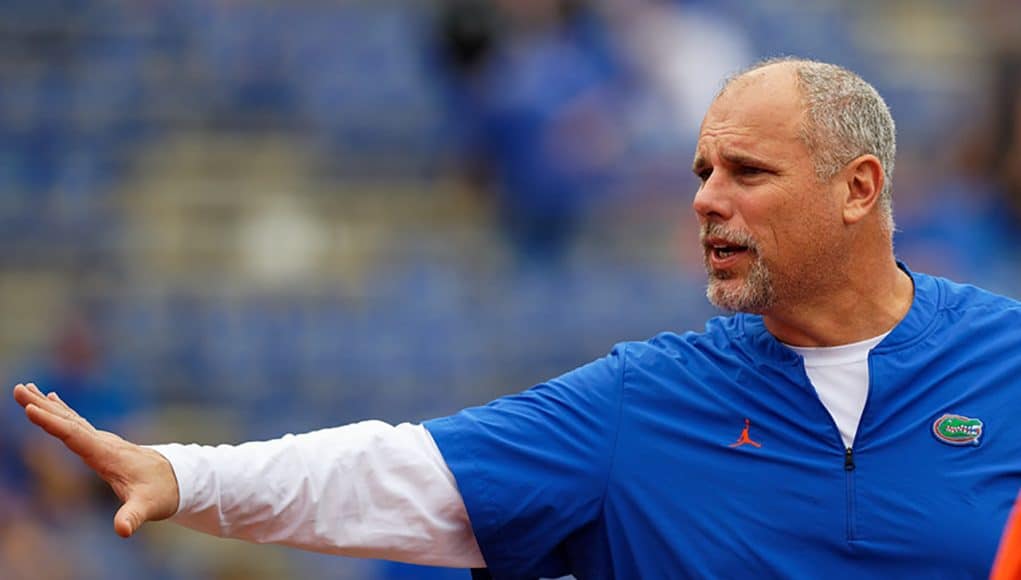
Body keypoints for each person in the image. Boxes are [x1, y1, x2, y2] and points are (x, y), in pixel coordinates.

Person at [12, 57, 1021, 578]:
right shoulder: (641, 400)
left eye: (747, 173)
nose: (708, 199)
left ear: (858, 189)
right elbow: (395, 472)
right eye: (700, 171)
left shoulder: (1003, 360)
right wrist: (186, 473)